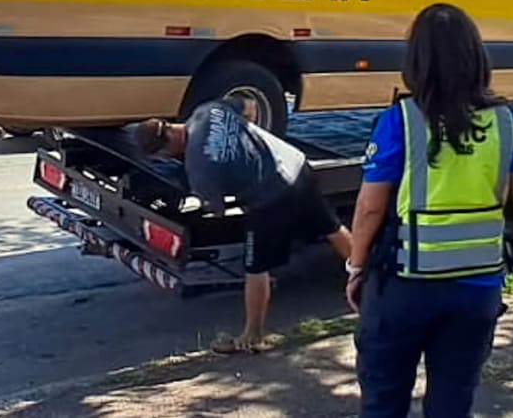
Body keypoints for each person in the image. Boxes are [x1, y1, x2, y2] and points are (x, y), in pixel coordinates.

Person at [345, 3, 513, 418]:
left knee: (383, 401)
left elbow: (370, 208)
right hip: (475, 291)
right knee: (452, 403)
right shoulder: (507, 122)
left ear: (416, 62)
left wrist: (355, 268)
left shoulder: (400, 120)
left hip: (403, 286)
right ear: (477, 58)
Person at [135, 96, 353, 353]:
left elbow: (216, 209)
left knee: (255, 267)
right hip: (297, 165)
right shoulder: (207, 110)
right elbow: (248, 105)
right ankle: (368, 276)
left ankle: (253, 334)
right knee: (330, 227)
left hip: (272, 197)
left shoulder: (199, 170)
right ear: (170, 125)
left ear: (164, 150)